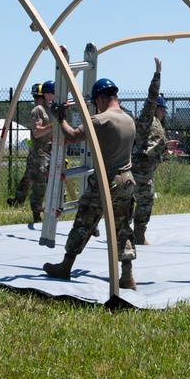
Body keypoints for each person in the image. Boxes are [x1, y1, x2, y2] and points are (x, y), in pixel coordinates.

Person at [43, 77, 138, 289]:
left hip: (107, 181)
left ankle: (66, 266)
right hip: (127, 180)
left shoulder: (100, 120)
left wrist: (61, 117)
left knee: (83, 222)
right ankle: (127, 275)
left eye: (96, 103)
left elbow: (71, 136)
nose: (96, 107)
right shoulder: (129, 120)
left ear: (102, 99)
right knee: (122, 227)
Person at [129, 58, 179, 246]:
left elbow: (149, 143)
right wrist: (157, 74)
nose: (164, 112)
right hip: (140, 169)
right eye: (163, 109)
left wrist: (166, 146)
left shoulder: (155, 124)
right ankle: (139, 237)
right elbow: (151, 97)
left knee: (136, 201)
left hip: (146, 168)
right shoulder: (146, 117)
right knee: (145, 201)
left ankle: (130, 234)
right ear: (156, 108)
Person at [7, 80, 54, 223]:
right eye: (34, 98)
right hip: (39, 152)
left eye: (38, 97)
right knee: (37, 181)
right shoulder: (38, 111)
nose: (36, 101)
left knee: (34, 178)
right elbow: (36, 132)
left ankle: (21, 199)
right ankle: (34, 212)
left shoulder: (52, 110)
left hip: (52, 150)